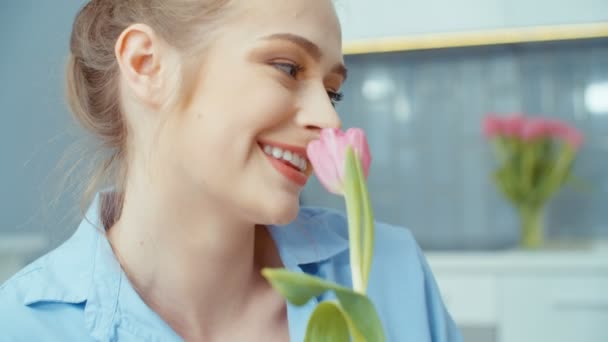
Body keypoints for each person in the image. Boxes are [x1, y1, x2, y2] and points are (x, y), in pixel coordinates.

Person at [0, 0, 462, 341]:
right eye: (286, 67)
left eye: (333, 91)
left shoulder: (392, 273)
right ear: (147, 65)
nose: (330, 119)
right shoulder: (21, 326)